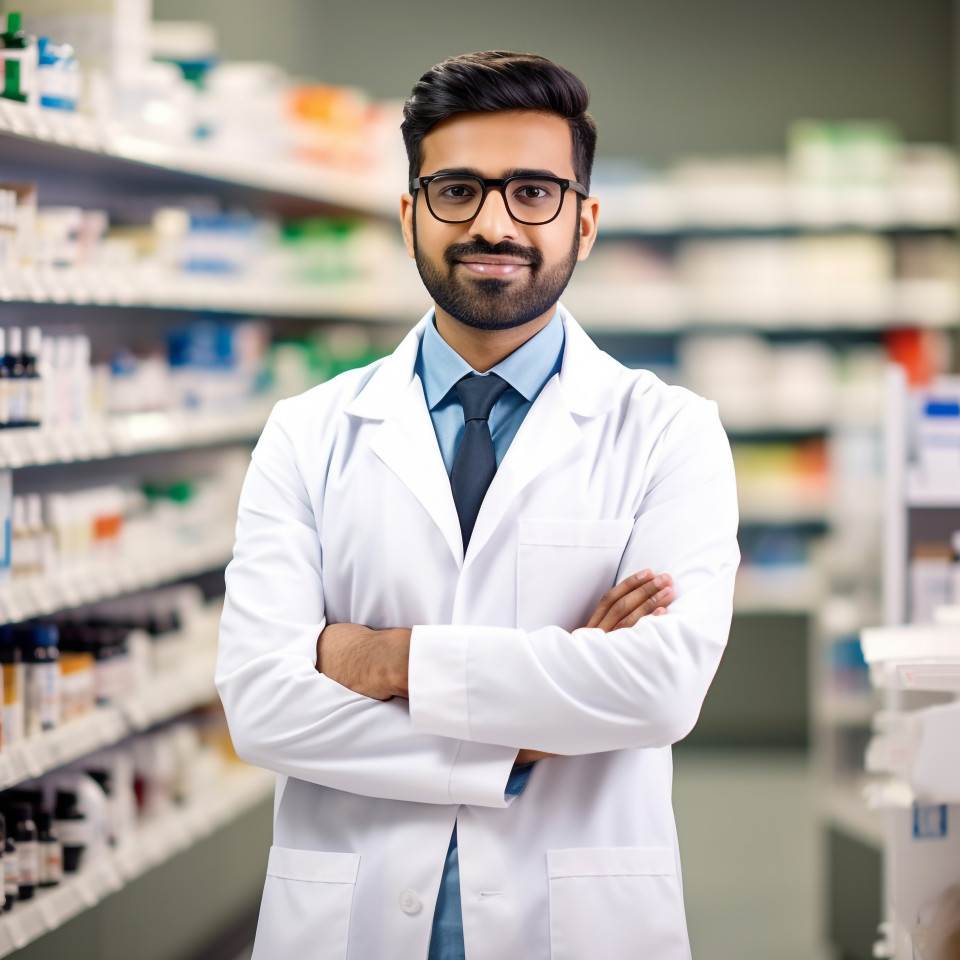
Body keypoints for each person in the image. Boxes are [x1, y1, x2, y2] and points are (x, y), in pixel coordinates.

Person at [216, 50, 739, 960]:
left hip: (574, 919)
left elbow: (658, 690)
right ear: (410, 212)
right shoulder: (308, 431)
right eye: (458, 189)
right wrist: (525, 732)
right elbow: (262, 706)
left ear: (585, 221)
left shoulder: (669, 432)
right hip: (352, 917)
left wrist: (381, 657)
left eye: (534, 192)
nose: (494, 223)